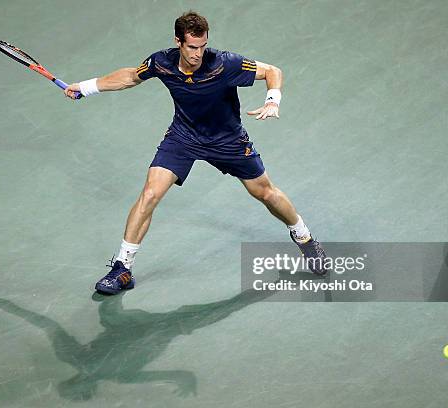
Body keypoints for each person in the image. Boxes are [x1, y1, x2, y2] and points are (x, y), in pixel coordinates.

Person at [65, 11, 327, 295]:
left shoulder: (224, 63)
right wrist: (86, 88)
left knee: (265, 193)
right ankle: (122, 268)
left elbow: (273, 71)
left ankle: (304, 237)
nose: (198, 54)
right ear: (178, 41)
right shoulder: (161, 62)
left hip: (227, 139)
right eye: (192, 47)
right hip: (184, 137)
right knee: (151, 194)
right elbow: (130, 76)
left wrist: (273, 100)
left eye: (202, 46)